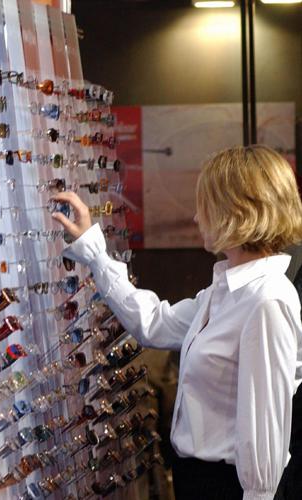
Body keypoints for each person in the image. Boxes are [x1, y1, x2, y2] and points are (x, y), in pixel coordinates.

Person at [51, 145, 302, 500]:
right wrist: (94, 251)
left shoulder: (266, 300)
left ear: (235, 210)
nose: (197, 218)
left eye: (206, 205)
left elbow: (265, 441)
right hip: (197, 480)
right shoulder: (226, 290)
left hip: (226, 488)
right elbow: (155, 322)